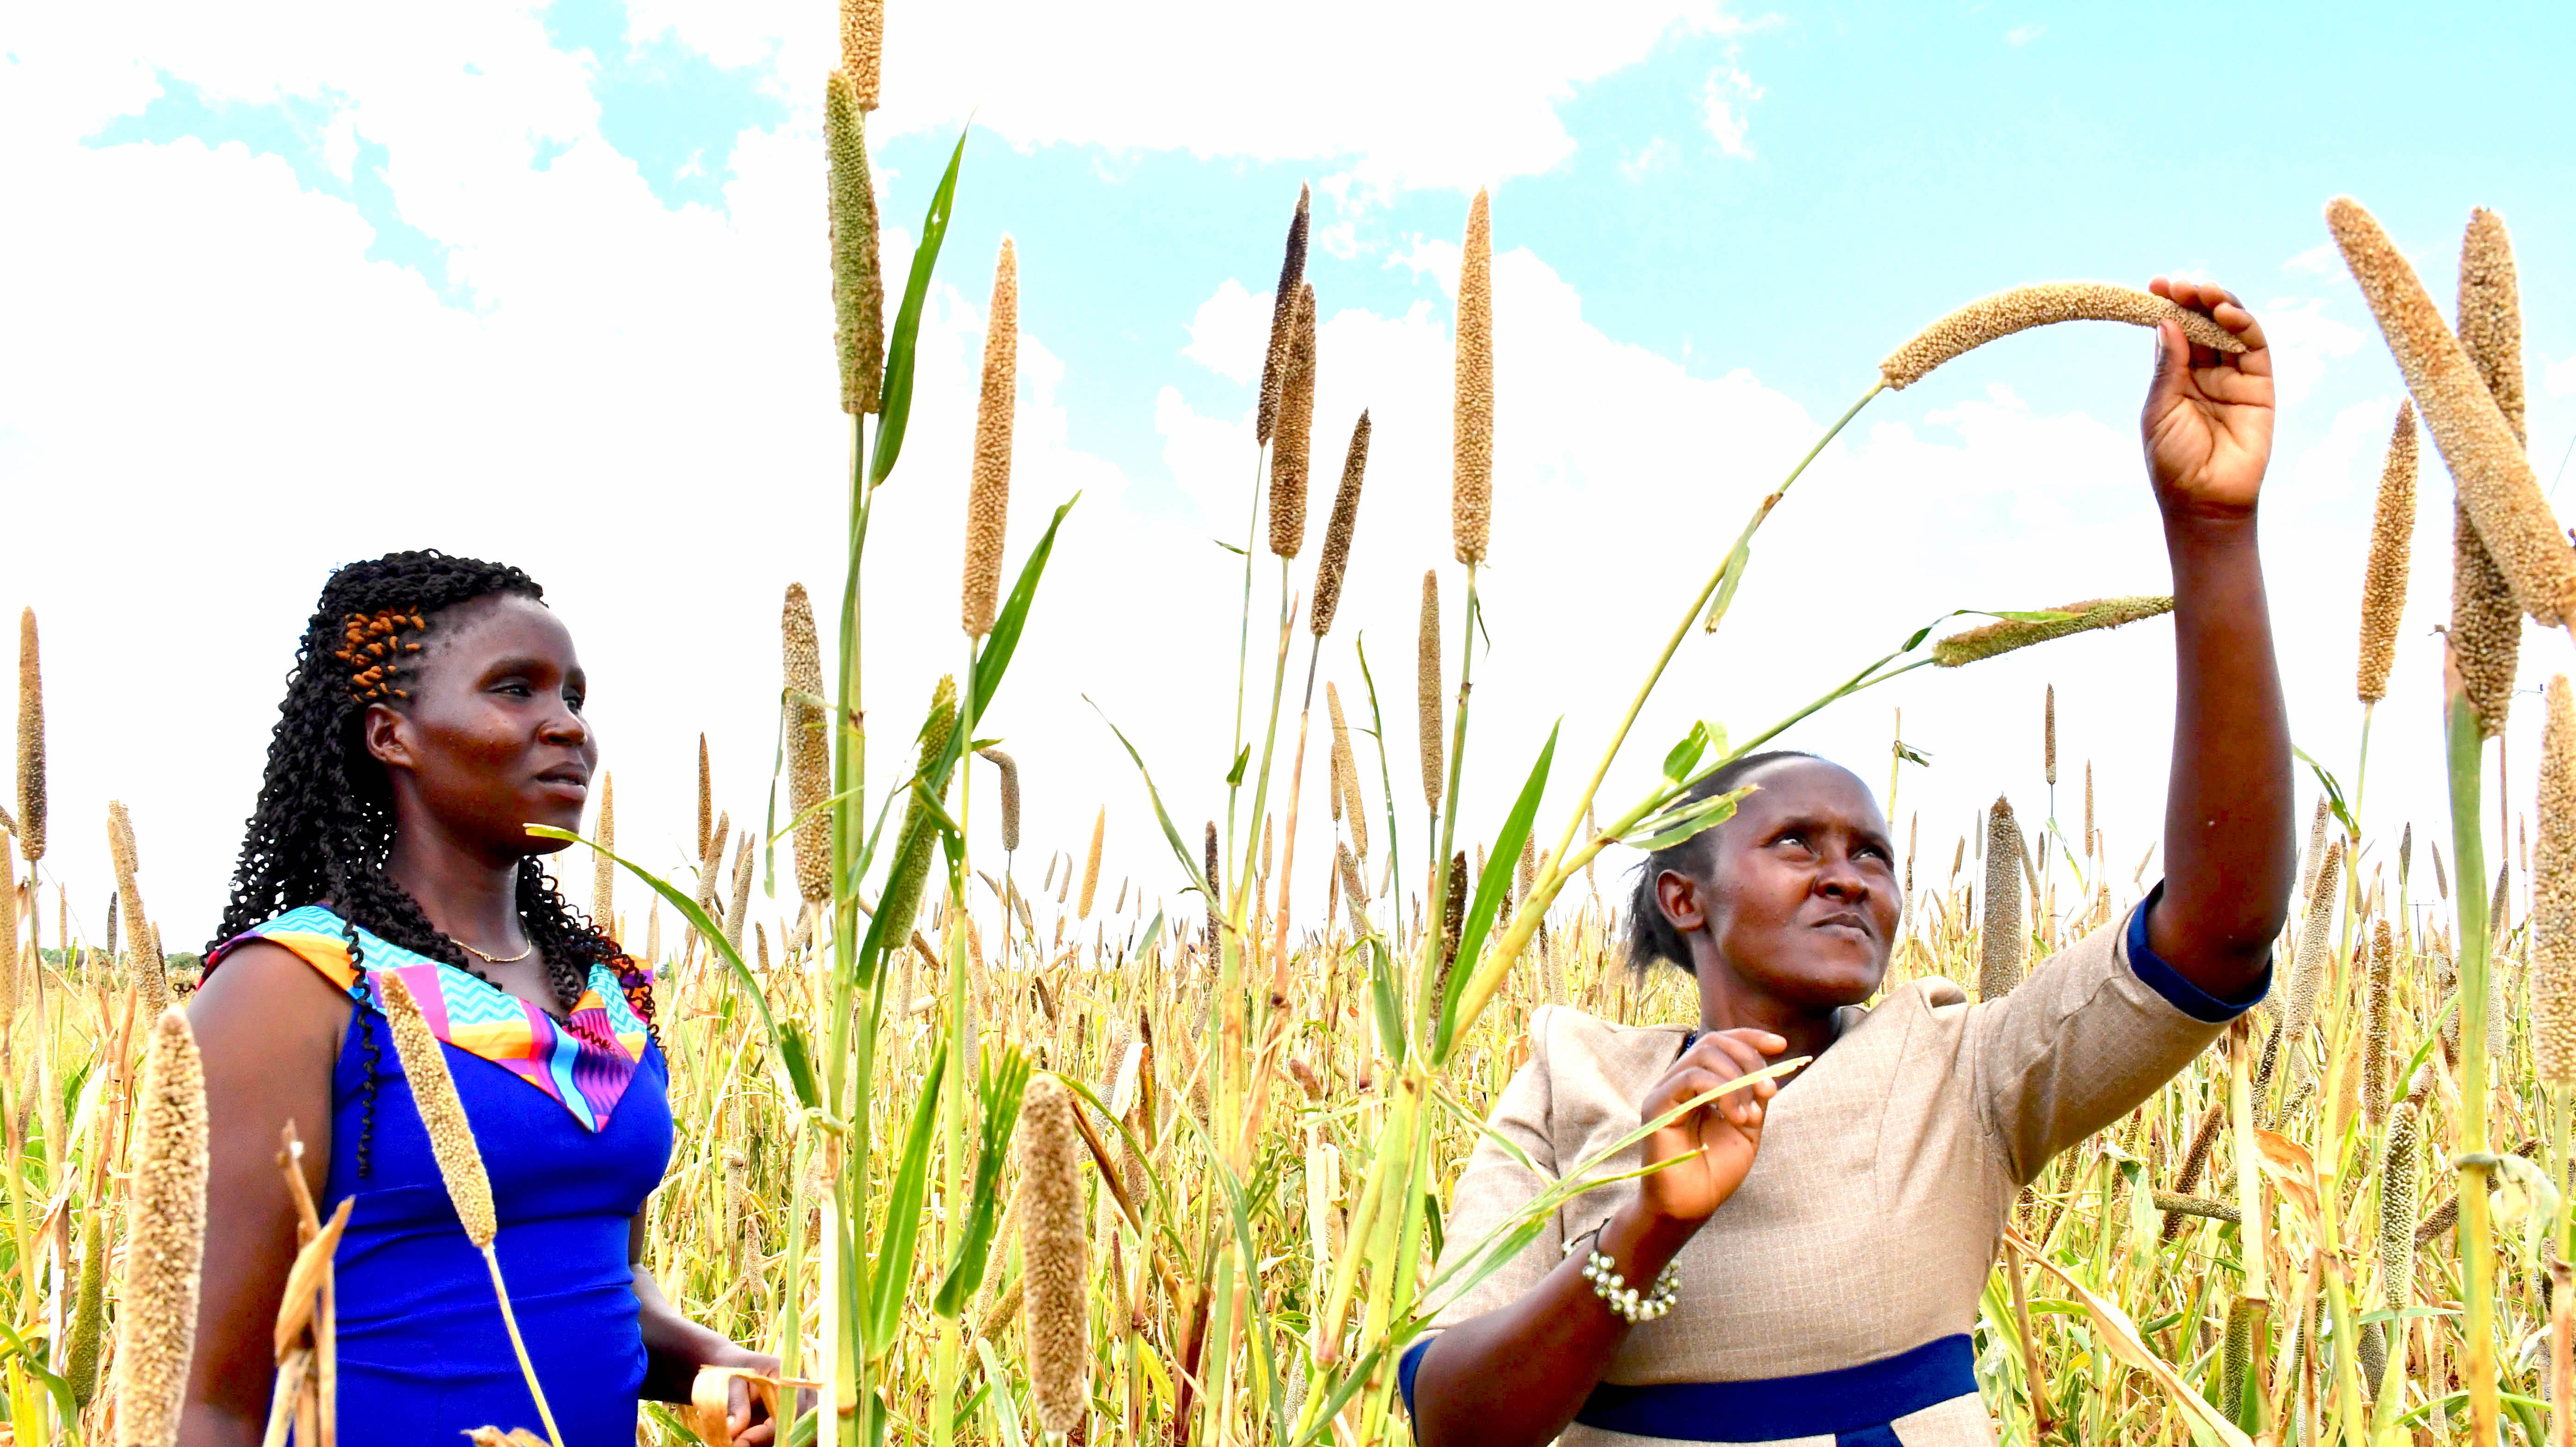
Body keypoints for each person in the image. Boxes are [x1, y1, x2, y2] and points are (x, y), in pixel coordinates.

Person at [1401, 278, 2289, 1447]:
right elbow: (1458, 1424)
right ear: (1687, 897)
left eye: (1873, 853)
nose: (1849, 875)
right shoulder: (1578, 1086)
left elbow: (2220, 927)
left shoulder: (1958, 1071)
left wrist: (2212, 534)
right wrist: (1649, 1225)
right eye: (1796, 844)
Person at [184, 551, 784, 1446]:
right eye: (516, 690)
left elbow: (604, 1286)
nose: (568, 727)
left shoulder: (607, 1000)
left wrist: (716, 1363)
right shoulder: (289, 988)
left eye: (575, 698)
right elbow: (205, 1400)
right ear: (393, 735)